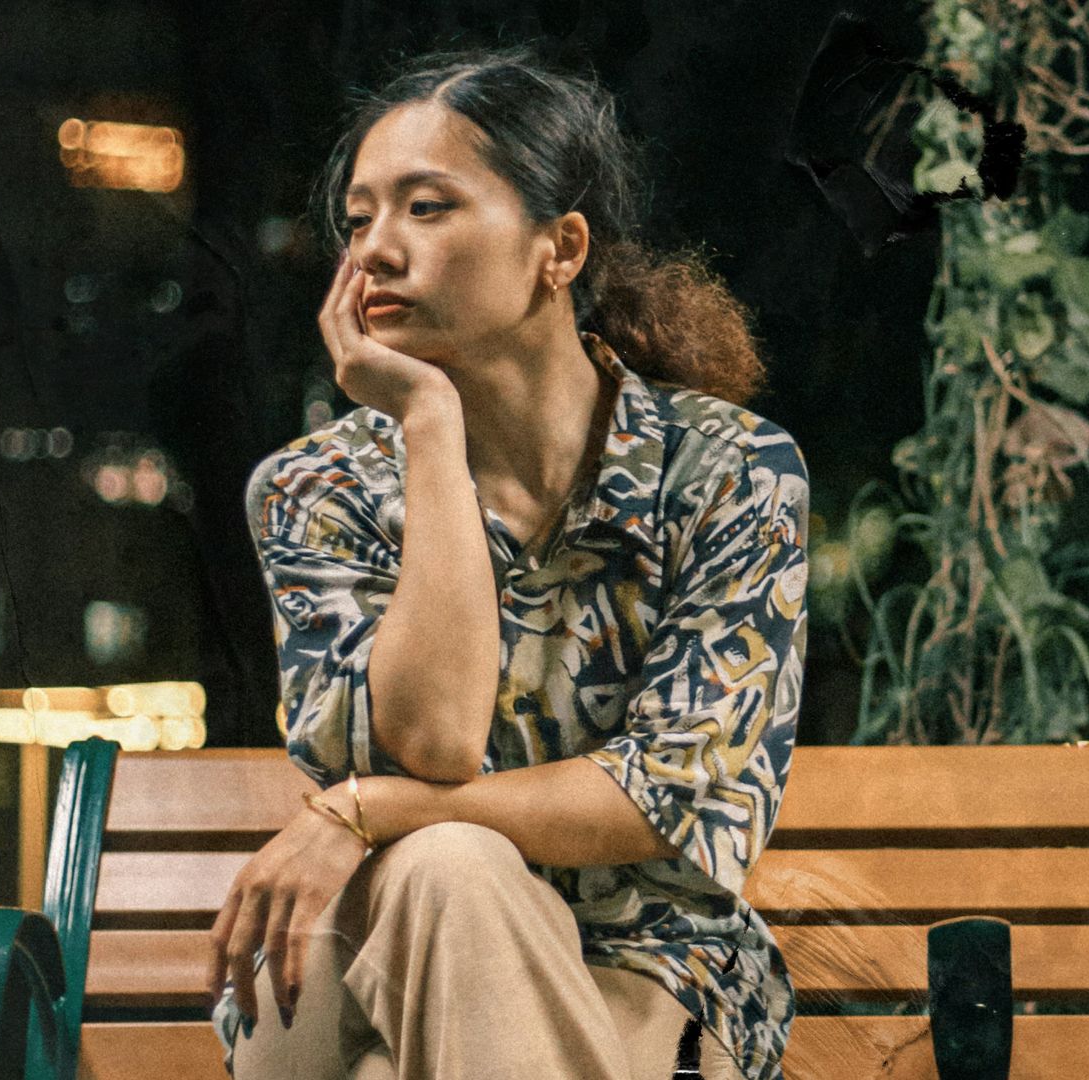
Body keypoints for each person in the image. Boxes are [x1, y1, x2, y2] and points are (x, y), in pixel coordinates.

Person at [211, 47, 809, 1080]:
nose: (375, 253)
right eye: (358, 221)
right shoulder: (317, 489)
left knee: (435, 931)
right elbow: (429, 741)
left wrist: (377, 808)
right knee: (448, 868)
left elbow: (657, 795)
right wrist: (430, 430)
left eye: (426, 208)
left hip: (648, 966)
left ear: (560, 248)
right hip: (362, 960)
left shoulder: (726, 472)